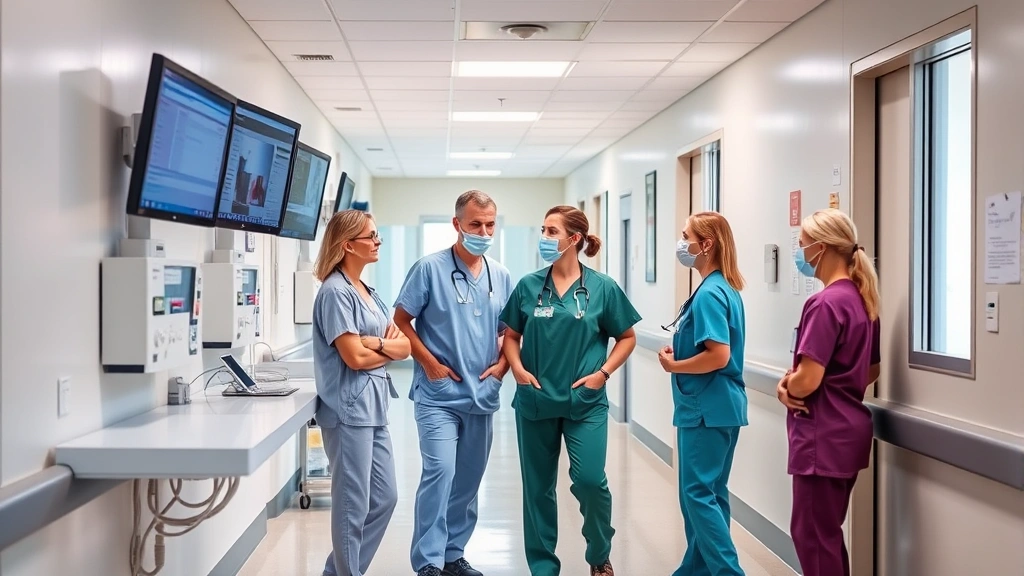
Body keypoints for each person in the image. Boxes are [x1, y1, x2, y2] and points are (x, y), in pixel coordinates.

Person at [500, 205, 641, 576]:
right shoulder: (529, 286)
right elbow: (511, 336)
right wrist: (516, 368)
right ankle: (544, 568)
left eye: (551, 231)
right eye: (542, 230)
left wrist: (604, 373)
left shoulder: (602, 288)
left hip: (586, 402)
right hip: (535, 400)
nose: (544, 238)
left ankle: (599, 554)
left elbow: (627, 337)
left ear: (574, 239)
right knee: (538, 491)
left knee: (591, 481)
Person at [393, 190, 514, 576]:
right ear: (457, 223)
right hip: (439, 396)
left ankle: (453, 554)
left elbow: (509, 331)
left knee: (467, 481)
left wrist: (502, 369)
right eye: (475, 223)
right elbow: (400, 321)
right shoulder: (429, 269)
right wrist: (428, 363)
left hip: (481, 394)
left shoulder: (501, 275)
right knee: (440, 472)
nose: (483, 231)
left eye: (489, 224)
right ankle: (428, 561)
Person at [776, 209, 881, 576]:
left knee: (813, 538)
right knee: (826, 535)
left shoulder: (824, 303)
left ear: (820, 248)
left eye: (801, 245)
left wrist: (785, 385)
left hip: (821, 437)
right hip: (846, 434)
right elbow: (871, 370)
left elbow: (808, 380)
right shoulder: (863, 299)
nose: (799, 252)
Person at [311, 210, 411, 576]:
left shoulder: (368, 292)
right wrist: (384, 347)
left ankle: (335, 572)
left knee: (385, 498)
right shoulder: (335, 293)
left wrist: (377, 343)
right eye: (370, 236)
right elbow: (353, 358)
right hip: (347, 411)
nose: (377, 241)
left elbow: (405, 350)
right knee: (353, 506)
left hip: (375, 408)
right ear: (348, 244)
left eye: (378, 235)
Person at [657, 211, 748, 576]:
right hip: (721, 407)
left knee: (696, 495)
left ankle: (728, 572)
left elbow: (718, 354)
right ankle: (695, 571)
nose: (682, 243)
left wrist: (674, 366)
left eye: (686, 236)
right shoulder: (723, 287)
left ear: (706, 244)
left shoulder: (711, 293)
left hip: (705, 410)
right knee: (709, 495)